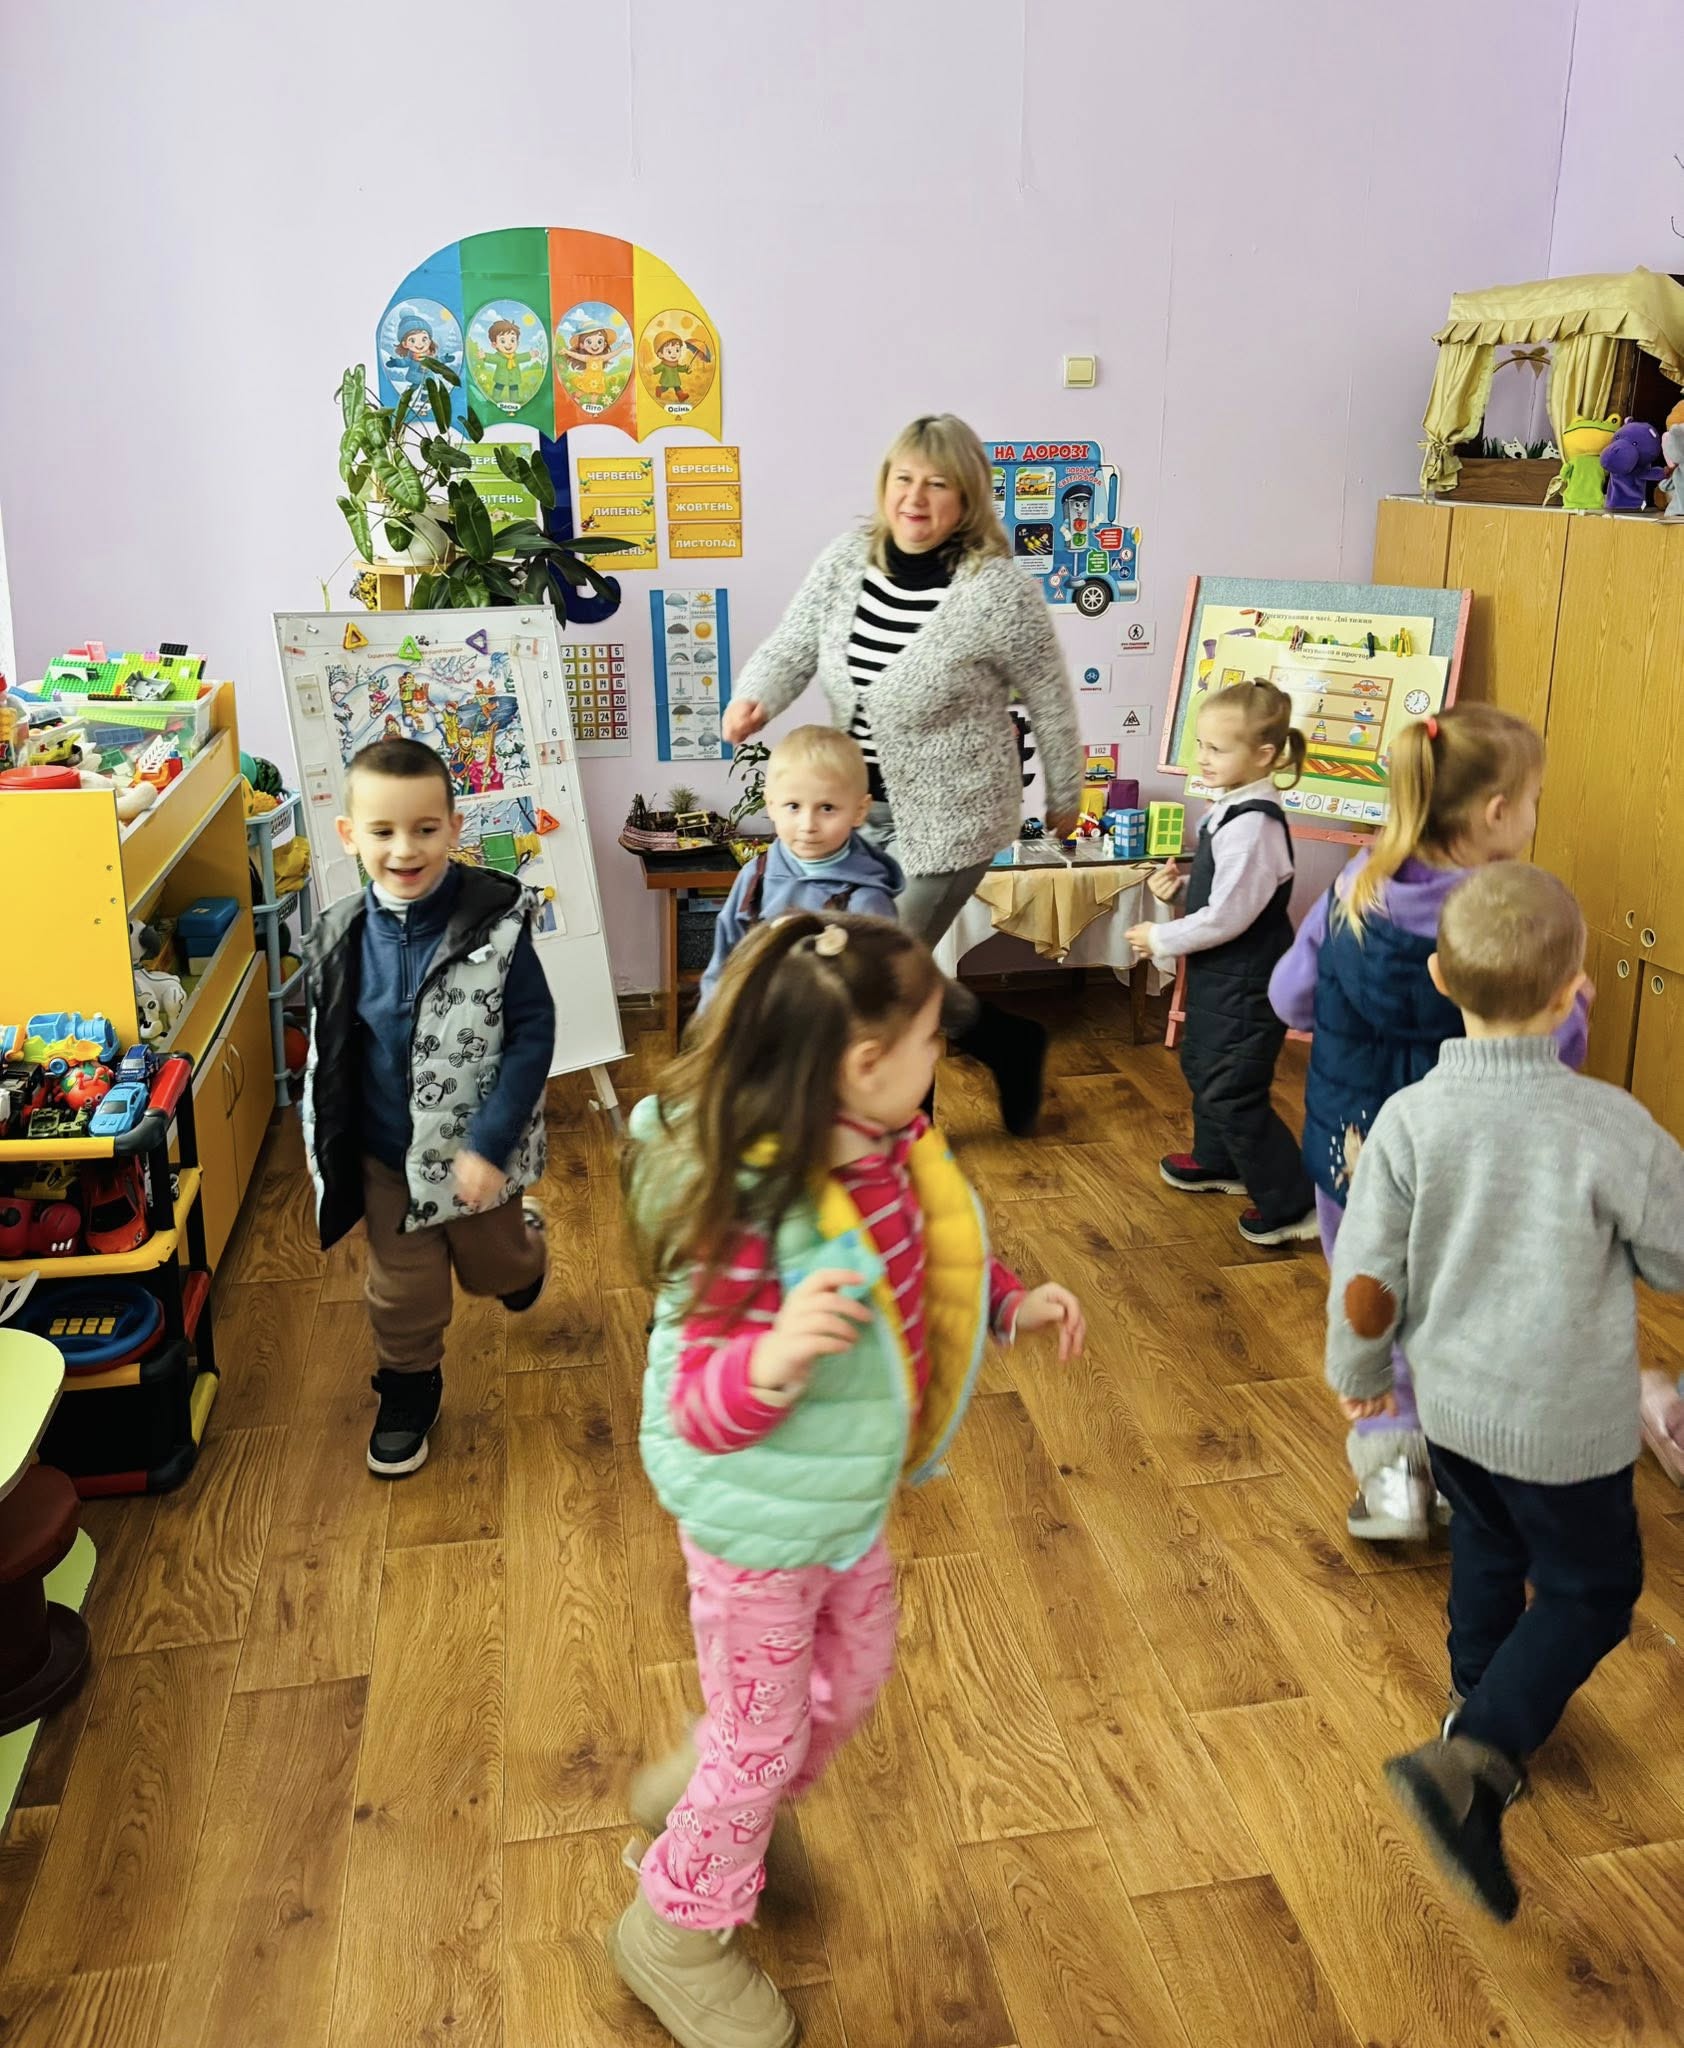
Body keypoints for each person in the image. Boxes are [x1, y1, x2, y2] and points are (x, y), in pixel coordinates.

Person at [608, 913, 1085, 2048]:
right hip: (756, 1531)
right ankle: (673, 1926)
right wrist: (773, 1360)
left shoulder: (883, 1142)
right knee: (765, 1737)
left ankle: (715, 1780)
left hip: (841, 1502)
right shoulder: (750, 1207)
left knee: (854, 1678)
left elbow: (927, 1248)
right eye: (931, 1037)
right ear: (865, 1062)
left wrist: (1007, 1302)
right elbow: (698, 1406)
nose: (943, 1053)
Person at [1325, 863, 1684, 1922]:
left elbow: (1367, 1280)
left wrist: (1359, 1380)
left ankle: (1472, 1694)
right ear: (1576, 988)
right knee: (1591, 1587)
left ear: (1441, 977)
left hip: (1453, 1409)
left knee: (1486, 1544)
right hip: (1565, 1428)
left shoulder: (1408, 1120)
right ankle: (1477, 1753)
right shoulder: (1609, 1123)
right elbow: (1673, 1256)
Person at [1269, 704, 1590, 1542]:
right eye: (1534, 799)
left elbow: (1288, 998)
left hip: (1352, 1155)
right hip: (1467, 1167)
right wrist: (1573, 1007)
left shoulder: (1353, 885)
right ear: (1496, 812)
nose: (1534, 814)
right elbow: (1553, 1053)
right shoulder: (1511, 916)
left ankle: (1395, 1489)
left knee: (1375, 1312)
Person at [721, 413, 1083, 1136]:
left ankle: (899, 1136)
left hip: (954, 817)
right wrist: (754, 695)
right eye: (904, 479)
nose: (915, 498)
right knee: (882, 962)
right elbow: (792, 643)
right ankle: (1004, 1040)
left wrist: (1066, 792)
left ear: (966, 497)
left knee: (877, 974)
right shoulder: (845, 561)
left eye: (937, 484)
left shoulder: (998, 590)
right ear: (885, 484)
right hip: (857, 809)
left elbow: (1049, 696)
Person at [300, 737, 554, 1477]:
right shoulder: (340, 936)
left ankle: (525, 1258)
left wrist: (491, 1142)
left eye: (424, 828)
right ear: (349, 835)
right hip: (387, 1157)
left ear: (454, 828)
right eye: (382, 831)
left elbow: (532, 1033)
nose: (404, 849)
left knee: (493, 1267)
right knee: (401, 1290)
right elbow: (330, 1048)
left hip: (479, 1149)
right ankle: (408, 1386)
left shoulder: (499, 926)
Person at [1125, 680, 1318, 1247]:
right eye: (1201, 745)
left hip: (1248, 981)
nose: (1202, 759)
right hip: (1222, 975)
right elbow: (1226, 898)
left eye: (1217, 749)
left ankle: (1293, 1203)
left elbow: (1231, 916)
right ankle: (1220, 1160)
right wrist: (1181, 891)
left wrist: (1162, 937)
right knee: (1204, 1064)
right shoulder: (1229, 809)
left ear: (1263, 755)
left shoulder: (1255, 826)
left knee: (1232, 1086)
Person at [698, 726, 901, 1005]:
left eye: (827, 808)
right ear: (771, 805)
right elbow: (723, 963)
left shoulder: (868, 901)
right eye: (793, 806)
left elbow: (881, 995)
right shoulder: (756, 877)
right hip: (756, 1023)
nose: (808, 825)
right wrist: (713, 1018)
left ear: (859, 811)